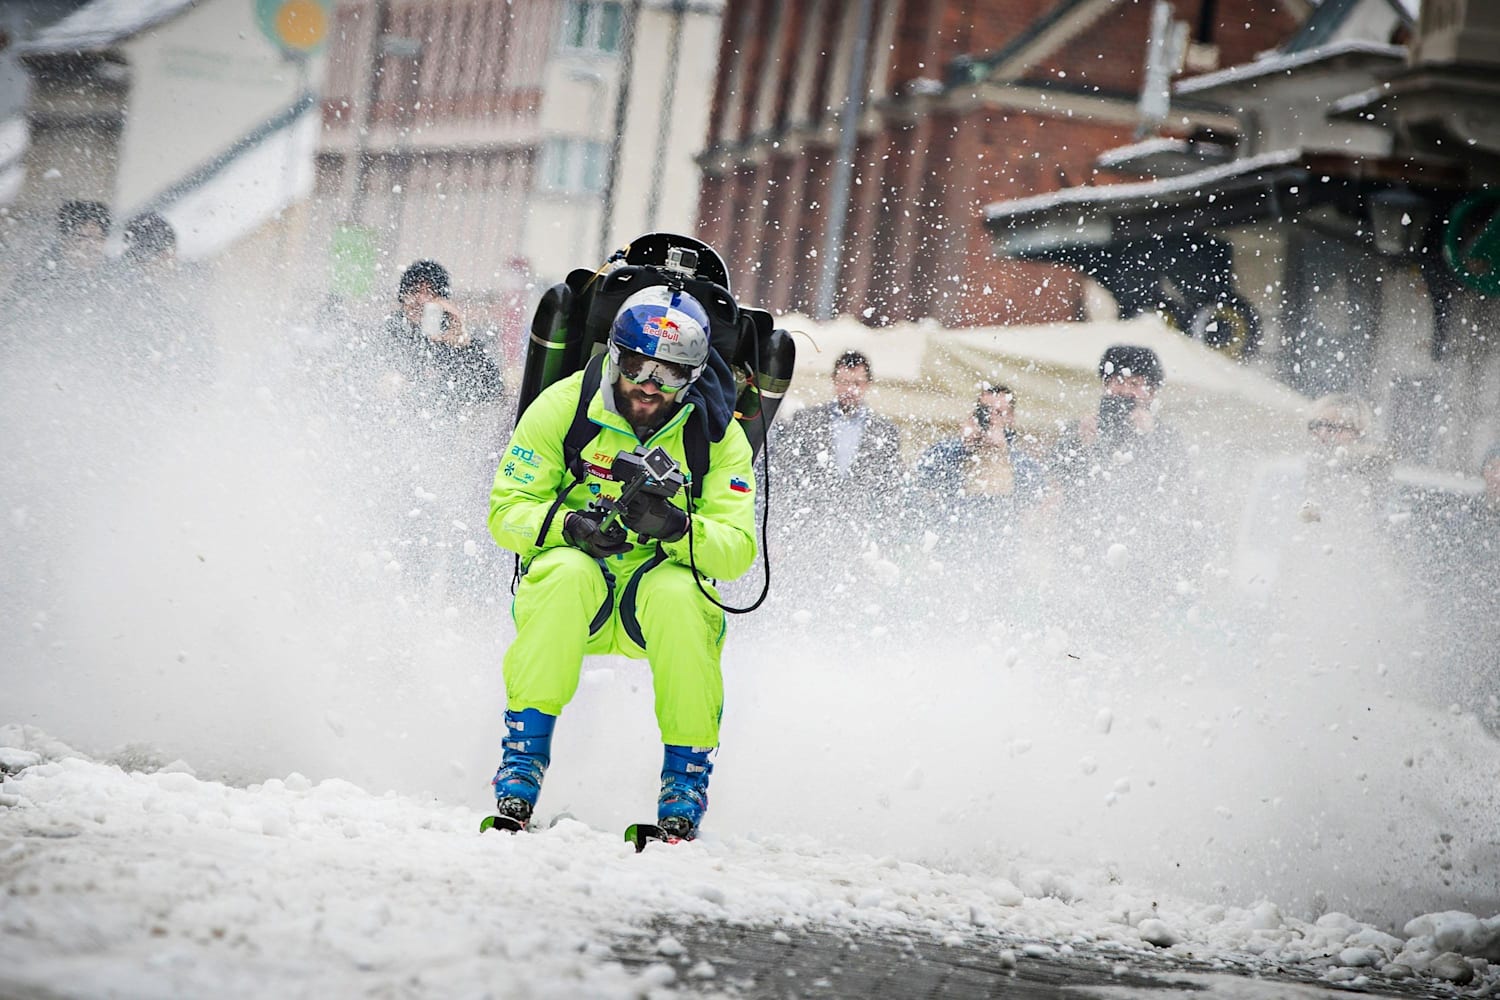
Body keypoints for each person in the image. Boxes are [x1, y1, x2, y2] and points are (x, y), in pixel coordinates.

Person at [487, 285, 757, 838]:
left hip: (651, 593)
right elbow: (506, 511)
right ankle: (521, 766)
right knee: (565, 573)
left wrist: (681, 529)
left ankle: (684, 783)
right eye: (636, 366)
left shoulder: (717, 436)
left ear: (695, 376)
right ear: (614, 357)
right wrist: (567, 526)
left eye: (671, 374)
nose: (648, 387)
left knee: (684, 598)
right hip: (580, 586)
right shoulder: (565, 406)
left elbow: (736, 552)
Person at [776, 350, 902, 521]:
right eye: (844, 382)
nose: (850, 389)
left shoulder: (885, 431)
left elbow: (890, 486)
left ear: (868, 384)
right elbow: (787, 473)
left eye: (857, 383)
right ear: (834, 381)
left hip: (861, 525)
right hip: (810, 519)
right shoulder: (806, 420)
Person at [380, 259, 504, 409]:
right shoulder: (389, 332)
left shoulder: (451, 338)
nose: (421, 300)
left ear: (441, 302)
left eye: (430, 293)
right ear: (403, 296)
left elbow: (493, 389)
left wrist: (464, 343)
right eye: (415, 291)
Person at [913, 382, 1045, 510]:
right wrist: (966, 446)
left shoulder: (1024, 465)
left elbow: (1031, 511)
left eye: (999, 413)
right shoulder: (946, 452)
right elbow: (920, 488)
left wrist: (1000, 455)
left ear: (1011, 418)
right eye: (985, 411)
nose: (990, 419)